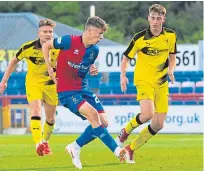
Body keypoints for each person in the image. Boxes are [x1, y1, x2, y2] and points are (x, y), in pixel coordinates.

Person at [42, 16, 128, 169]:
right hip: (66, 91)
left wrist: (91, 68)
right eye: (99, 34)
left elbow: (85, 64)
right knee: (93, 115)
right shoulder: (68, 41)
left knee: (103, 122)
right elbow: (46, 45)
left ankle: (75, 147)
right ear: (89, 31)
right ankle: (116, 150)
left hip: (82, 88)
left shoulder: (94, 50)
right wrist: (49, 67)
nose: (101, 38)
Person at [115, 4, 177, 163]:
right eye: (153, 18)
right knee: (148, 114)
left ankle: (130, 149)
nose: (155, 21)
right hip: (143, 80)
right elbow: (126, 58)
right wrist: (123, 75)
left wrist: (171, 69)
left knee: (158, 125)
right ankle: (125, 131)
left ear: (163, 19)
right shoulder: (139, 37)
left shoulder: (171, 36)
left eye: (159, 18)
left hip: (161, 83)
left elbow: (172, 57)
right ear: (148, 18)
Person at [0, 19, 60, 156]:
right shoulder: (28, 47)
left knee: (51, 119)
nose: (48, 34)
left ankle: (45, 142)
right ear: (38, 33)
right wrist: (4, 80)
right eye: (45, 31)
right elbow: (14, 61)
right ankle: (38, 143)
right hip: (34, 83)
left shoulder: (58, 47)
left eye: (50, 32)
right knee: (36, 109)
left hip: (51, 85)